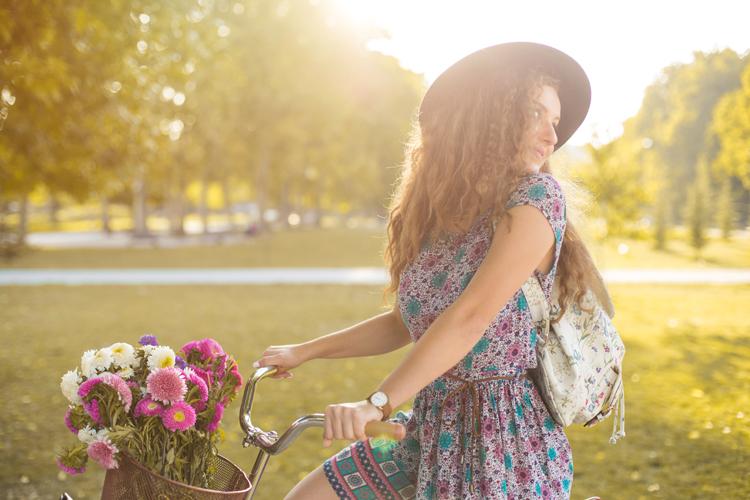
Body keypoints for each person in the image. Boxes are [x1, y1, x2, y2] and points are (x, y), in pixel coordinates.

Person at [254, 42, 604, 500]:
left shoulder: (537, 200)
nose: (551, 136)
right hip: (429, 429)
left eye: (555, 122)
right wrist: (306, 351)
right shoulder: (441, 214)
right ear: (489, 116)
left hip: (500, 445)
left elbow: (470, 318)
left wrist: (375, 402)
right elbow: (406, 321)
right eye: (537, 115)